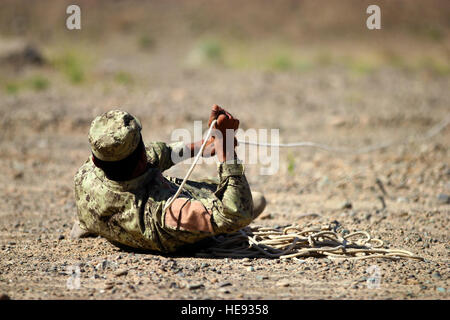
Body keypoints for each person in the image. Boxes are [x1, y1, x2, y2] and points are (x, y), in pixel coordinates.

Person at [71, 105, 266, 253]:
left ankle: (90, 223)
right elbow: (236, 213)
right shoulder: (161, 213)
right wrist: (227, 151)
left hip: (106, 206)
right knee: (256, 200)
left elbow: (155, 154)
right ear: (141, 159)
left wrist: (202, 146)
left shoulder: (85, 174)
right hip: (163, 225)